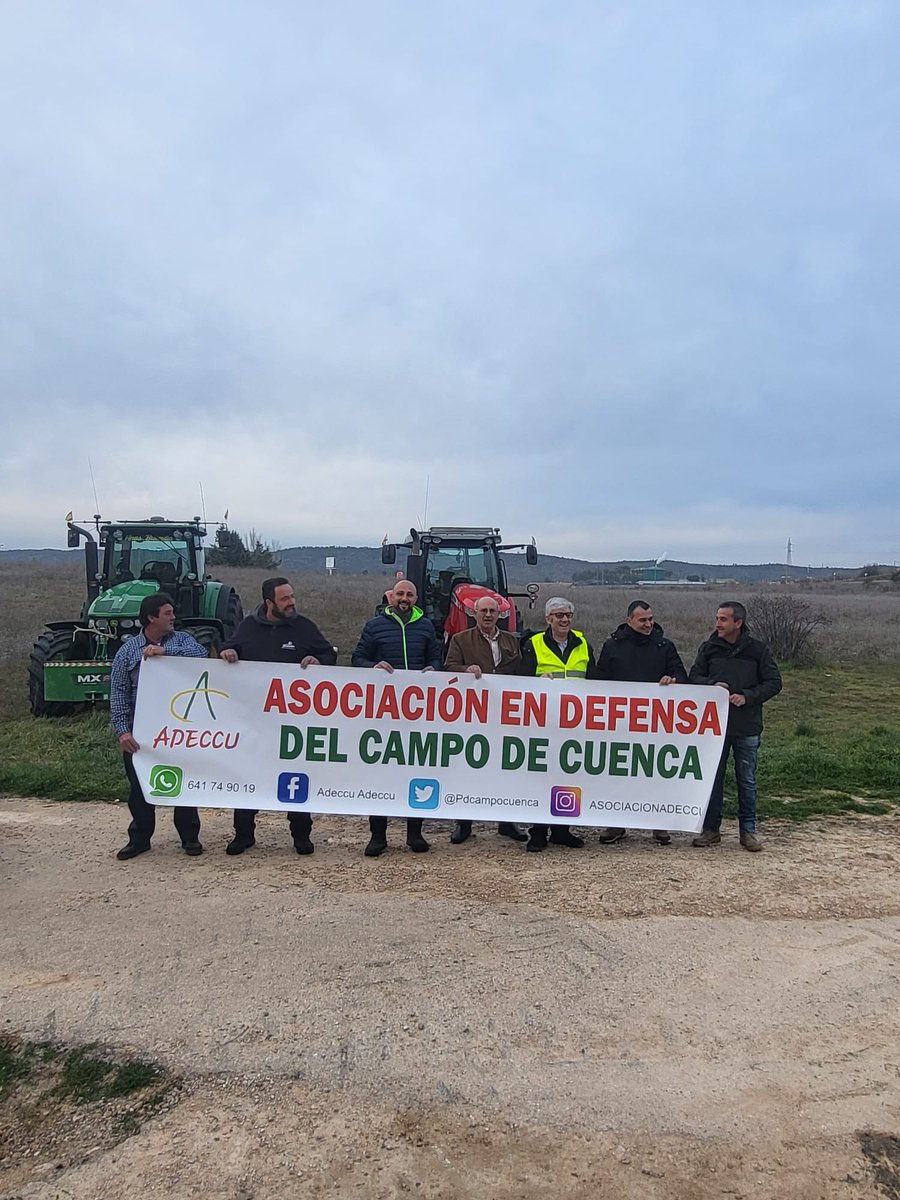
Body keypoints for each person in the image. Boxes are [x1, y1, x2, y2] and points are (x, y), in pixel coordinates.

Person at [219, 577, 337, 856]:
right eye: (285, 599)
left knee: (296, 778)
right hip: (255, 722)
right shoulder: (248, 626)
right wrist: (229, 652)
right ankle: (244, 834)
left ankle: (301, 836)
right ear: (269, 602)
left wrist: (318, 660)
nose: (291, 602)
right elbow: (230, 647)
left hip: (293, 724)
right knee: (248, 776)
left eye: (292, 596)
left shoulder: (304, 627)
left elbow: (328, 654)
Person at [110, 592, 207, 860]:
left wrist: (166, 652)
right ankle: (140, 839)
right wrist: (122, 731)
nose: (173, 617)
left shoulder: (184, 641)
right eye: (167, 613)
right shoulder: (127, 651)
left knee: (185, 785)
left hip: (180, 731)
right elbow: (118, 692)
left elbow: (201, 654)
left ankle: (189, 837)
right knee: (139, 789)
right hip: (140, 734)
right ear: (152, 617)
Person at [351, 579, 442, 856]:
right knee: (381, 773)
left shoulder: (426, 625)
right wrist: (373, 665)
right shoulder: (375, 625)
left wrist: (432, 669)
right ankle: (378, 836)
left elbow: (437, 659)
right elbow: (357, 658)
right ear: (391, 596)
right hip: (383, 713)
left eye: (410, 594)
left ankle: (415, 834)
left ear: (416, 598)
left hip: (418, 714)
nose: (404, 598)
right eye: (400, 594)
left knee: (415, 772)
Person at [689, 601, 782, 852]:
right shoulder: (709, 649)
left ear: (738, 623)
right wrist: (712, 685)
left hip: (747, 726)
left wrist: (748, 696)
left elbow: (774, 682)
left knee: (747, 780)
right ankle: (711, 829)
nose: (717, 623)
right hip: (714, 728)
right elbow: (694, 676)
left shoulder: (757, 650)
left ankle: (748, 831)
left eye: (723, 619)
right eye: (717, 618)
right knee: (713, 779)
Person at [594, 600, 688, 845]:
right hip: (620, 723)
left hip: (656, 723)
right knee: (619, 774)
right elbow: (600, 681)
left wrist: (674, 679)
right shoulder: (612, 646)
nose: (648, 624)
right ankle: (616, 823)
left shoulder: (664, 645)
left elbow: (681, 674)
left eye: (650, 619)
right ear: (629, 621)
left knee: (655, 772)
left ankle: (658, 823)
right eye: (642, 620)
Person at [443, 593, 527, 844]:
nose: (488, 615)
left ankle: (506, 821)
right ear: (474, 614)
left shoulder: (512, 641)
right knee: (470, 766)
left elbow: (520, 671)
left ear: (500, 614)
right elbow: (448, 666)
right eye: (483, 611)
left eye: (493, 611)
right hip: (473, 714)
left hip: (504, 714)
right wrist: (465, 670)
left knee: (506, 766)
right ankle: (464, 822)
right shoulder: (460, 639)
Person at [519, 596, 596, 853]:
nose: (565, 620)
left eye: (568, 615)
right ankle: (538, 832)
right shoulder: (534, 644)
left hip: (575, 723)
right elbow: (520, 680)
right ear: (548, 619)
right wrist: (538, 678)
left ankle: (562, 830)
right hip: (544, 722)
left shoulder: (583, 643)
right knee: (542, 778)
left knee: (569, 775)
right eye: (559, 615)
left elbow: (596, 680)